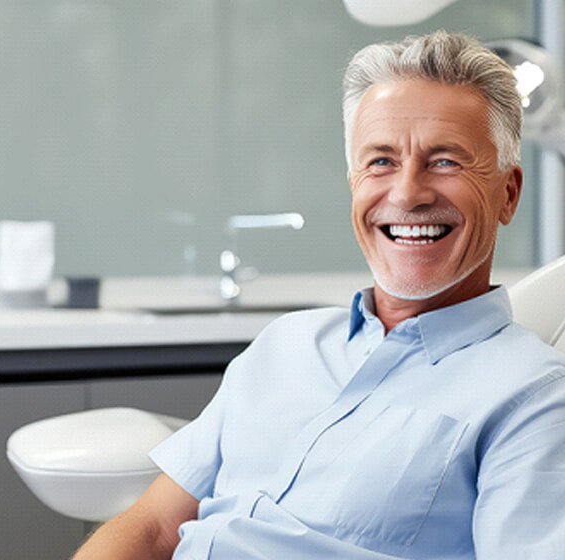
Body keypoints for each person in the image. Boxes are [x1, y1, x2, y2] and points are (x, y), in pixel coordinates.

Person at [73, 30, 565, 560]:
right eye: (381, 161)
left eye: (445, 161)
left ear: (508, 193)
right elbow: (152, 528)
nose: (407, 193)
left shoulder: (533, 399)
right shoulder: (284, 344)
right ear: (354, 184)